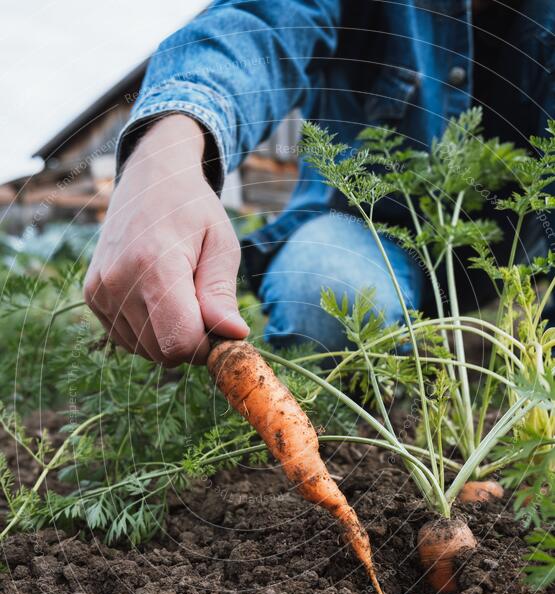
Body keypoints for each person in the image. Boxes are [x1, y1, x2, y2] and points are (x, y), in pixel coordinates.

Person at [84, 0, 555, 364]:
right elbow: (262, 22)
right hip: (363, 233)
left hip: (517, 253)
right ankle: (358, 423)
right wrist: (171, 145)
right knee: (324, 292)